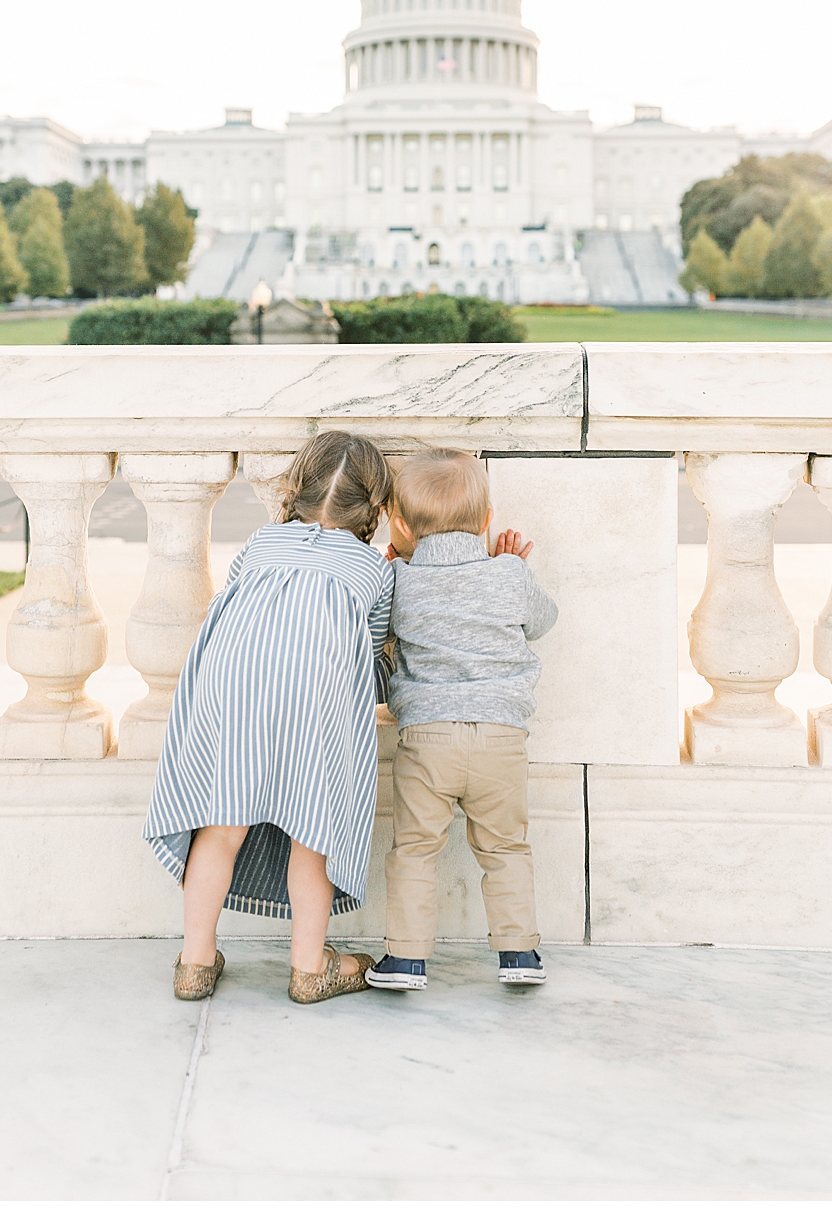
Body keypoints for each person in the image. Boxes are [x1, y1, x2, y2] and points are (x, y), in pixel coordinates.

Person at [144, 431, 393, 1005]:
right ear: (374, 508)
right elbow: (370, 659)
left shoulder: (261, 544)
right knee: (312, 832)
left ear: (296, 490)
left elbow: (234, 608)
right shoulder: (373, 571)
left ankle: (195, 961)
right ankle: (309, 968)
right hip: (315, 700)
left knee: (222, 824)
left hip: (235, 689)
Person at [365, 448, 558, 993]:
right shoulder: (507, 573)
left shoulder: (398, 580)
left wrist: (385, 574)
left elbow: (378, 639)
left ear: (399, 524)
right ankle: (519, 952)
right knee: (505, 848)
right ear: (487, 519)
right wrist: (515, 568)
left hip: (427, 738)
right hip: (500, 738)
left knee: (414, 849)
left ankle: (405, 960)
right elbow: (543, 620)